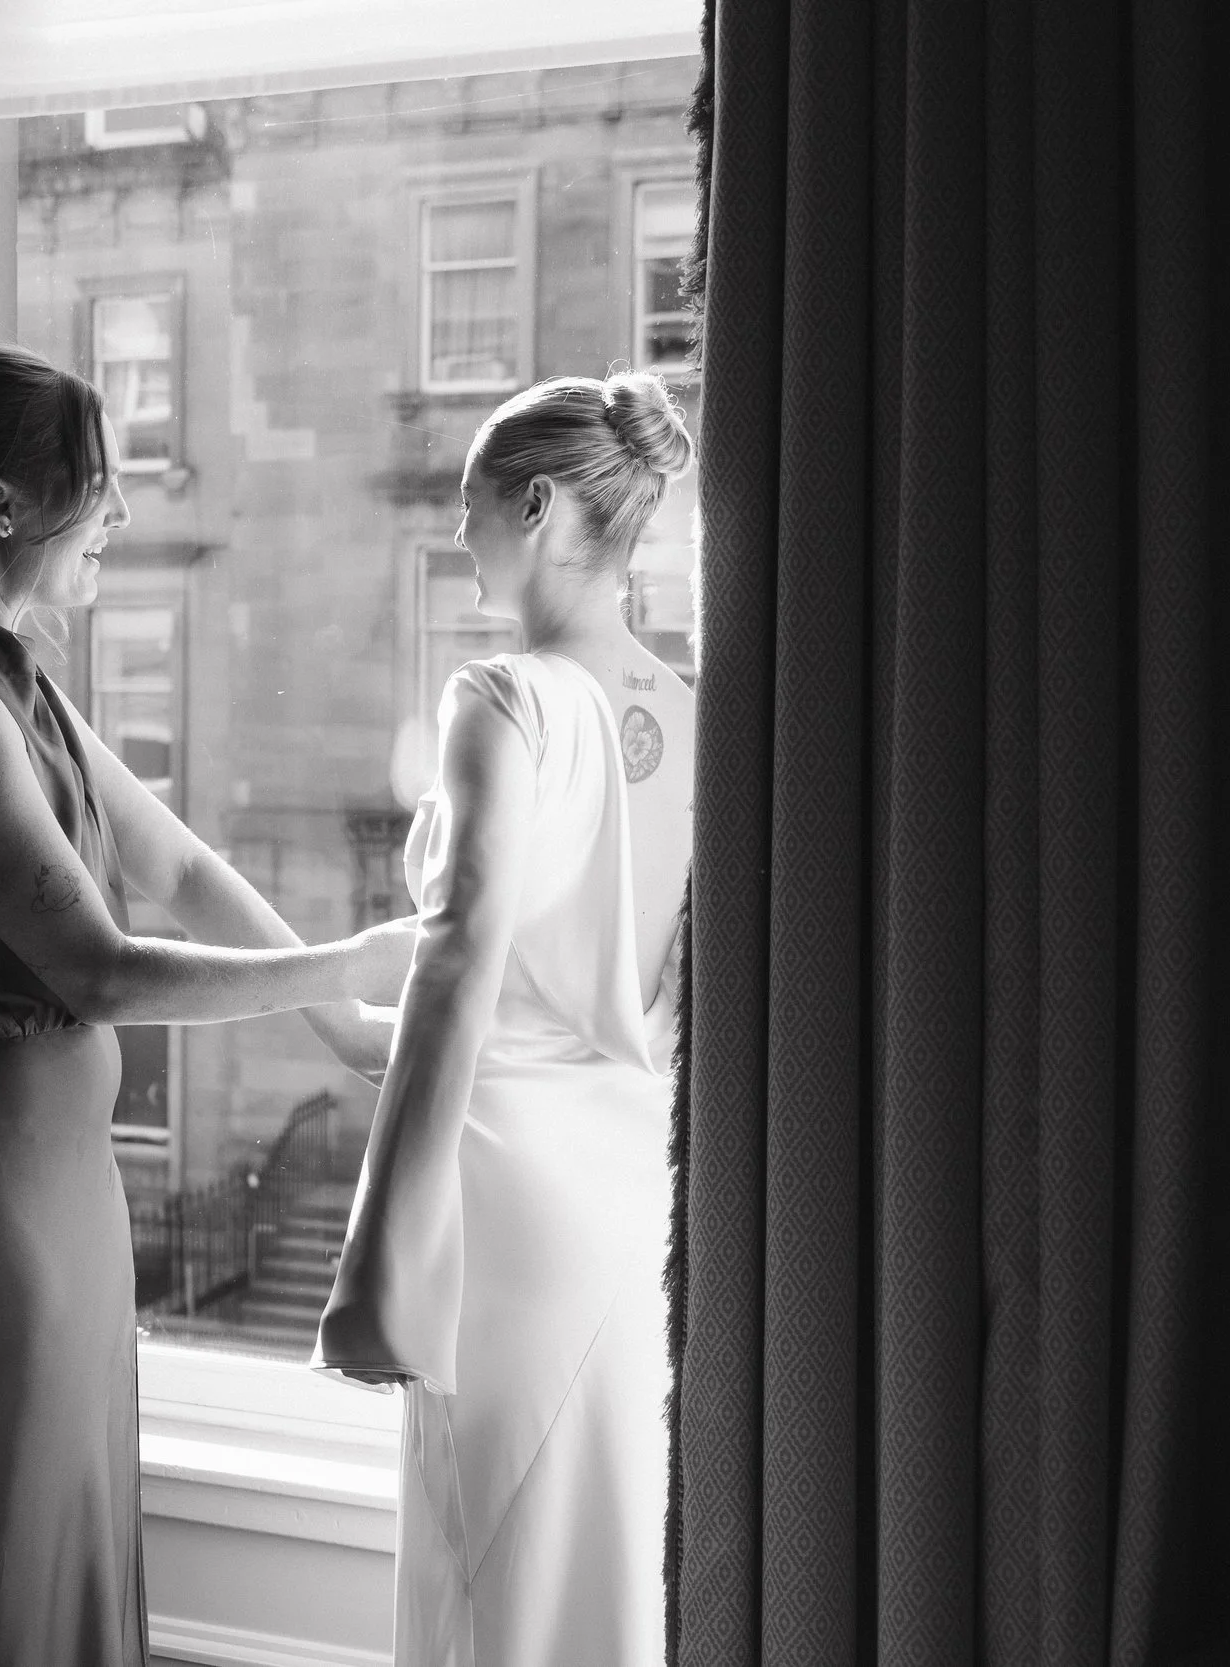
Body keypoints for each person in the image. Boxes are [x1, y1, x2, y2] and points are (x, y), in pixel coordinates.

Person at [0, 342, 407, 1667]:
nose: (122, 517)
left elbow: (179, 867)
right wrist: (349, 963)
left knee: (50, 1543)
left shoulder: (16, 679)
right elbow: (101, 968)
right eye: (98, 485)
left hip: (56, 1188)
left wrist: (344, 1033)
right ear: (5, 507)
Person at [312, 371, 694, 1665]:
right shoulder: (699, 714)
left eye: (471, 507)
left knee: (489, 1610)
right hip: (634, 1210)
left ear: (536, 505)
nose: (458, 534)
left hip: (504, 1222)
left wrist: (383, 1262)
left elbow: (460, 957)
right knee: (604, 1600)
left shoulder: (503, 699)